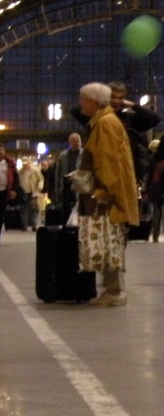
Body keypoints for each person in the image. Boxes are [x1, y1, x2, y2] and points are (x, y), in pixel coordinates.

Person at [76, 82, 140, 306]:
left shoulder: (105, 123)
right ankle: (111, 290)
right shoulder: (103, 121)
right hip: (105, 192)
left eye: (83, 98)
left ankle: (114, 292)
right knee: (106, 240)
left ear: (94, 101)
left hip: (106, 195)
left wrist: (103, 191)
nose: (80, 103)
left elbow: (108, 161)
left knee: (108, 239)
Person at [71, 82, 160, 184]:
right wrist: (101, 103)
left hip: (126, 171)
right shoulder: (96, 117)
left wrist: (132, 105)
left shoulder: (127, 117)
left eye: (120, 98)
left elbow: (154, 119)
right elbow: (76, 111)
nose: (117, 101)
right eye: (113, 97)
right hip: (103, 171)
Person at [53, 133, 83, 219]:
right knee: (66, 207)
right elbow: (58, 172)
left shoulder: (84, 154)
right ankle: (66, 225)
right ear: (70, 143)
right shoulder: (63, 155)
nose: (77, 143)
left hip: (79, 184)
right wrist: (57, 187)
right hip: (66, 185)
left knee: (78, 206)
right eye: (74, 141)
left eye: (78, 141)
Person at [18, 159, 44, 230]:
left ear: (29, 163)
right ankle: (24, 226)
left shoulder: (35, 170)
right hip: (23, 192)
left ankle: (34, 225)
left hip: (33, 192)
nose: (24, 165)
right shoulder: (20, 171)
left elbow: (41, 179)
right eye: (23, 164)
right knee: (23, 209)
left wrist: (40, 186)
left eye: (26, 164)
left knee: (34, 209)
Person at [148, 139, 163, 242]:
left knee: (156, 209)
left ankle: (155, 234)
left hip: (157, 186)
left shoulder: (155, 158)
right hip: (159, 185)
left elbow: (150, 174)